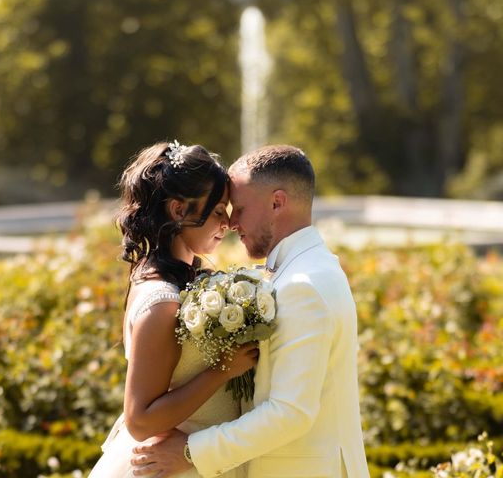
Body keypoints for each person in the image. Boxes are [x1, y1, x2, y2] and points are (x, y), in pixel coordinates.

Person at [132, 145, 370, 478]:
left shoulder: (302, 285)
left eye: (239, 208)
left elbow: (290, 412)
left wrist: (189, 451)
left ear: (277, 202)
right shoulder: (309, 269)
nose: (231, 222)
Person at [88, 141, 258, 478]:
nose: (227, 224)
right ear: (179, 211)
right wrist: (223, 370)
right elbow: (139, 420)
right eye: (218, 211)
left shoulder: (185, 280)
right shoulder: (161, 300)